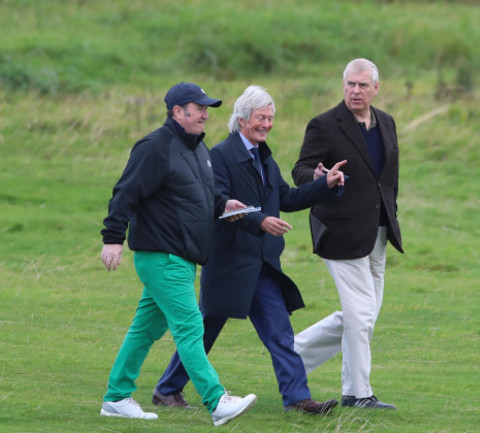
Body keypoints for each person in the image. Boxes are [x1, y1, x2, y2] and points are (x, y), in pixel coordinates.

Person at [152, 85, 346, 415]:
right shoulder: (221, 156)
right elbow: (218, 205)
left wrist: (323, 186)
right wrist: (260, 221)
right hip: (229, 263)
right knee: (204, 330)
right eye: (261, 118)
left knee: (280, 332)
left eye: (270, 118)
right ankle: (168, 389)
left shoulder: (264, 156)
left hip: (262, 264)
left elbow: (285, 198)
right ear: (242, 119)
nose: (267, 124)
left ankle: (298, 398)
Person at [99, 82, 257, 427]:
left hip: (183, 258)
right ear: (177, 112)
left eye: (206, 108)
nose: (205, 114)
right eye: (198, 108)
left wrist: (223, 205)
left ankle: (115, 397)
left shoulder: (198, 150)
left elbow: (196, 197)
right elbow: (126, 193)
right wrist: (113, 238)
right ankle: (217, 401)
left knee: (144, 330)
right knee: (190, 325)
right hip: (162, 256)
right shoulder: (156, 147)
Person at [291, 58, 403, 409]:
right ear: (343, 85)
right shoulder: (325, 125)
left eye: (362, 85)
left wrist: (390, 214)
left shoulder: (386, 123)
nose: (355, 91)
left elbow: (388, 178)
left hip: (378, 232)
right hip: (339, 232)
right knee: (359, 316)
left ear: (375, 88)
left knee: (363, 316)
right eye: (350, 84)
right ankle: (358, 394)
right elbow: (300, 169)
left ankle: (291, 356)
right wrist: (320, 177)